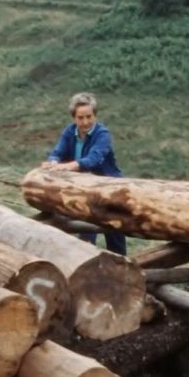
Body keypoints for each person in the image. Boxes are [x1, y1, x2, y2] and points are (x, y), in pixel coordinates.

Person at [41, 92, 127, 256]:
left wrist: (68, 166)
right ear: (74, 118)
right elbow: (57, 152)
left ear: (95, 115)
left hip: (109, 188)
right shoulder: (69, 131)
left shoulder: (102, 134)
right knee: (86, 230)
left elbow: (93, 159)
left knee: (114, 231)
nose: (85, 122)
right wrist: (53, 162)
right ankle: (86, 263)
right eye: (80, 118)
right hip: (84, 188)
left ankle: (121, 266)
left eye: (89, 116)